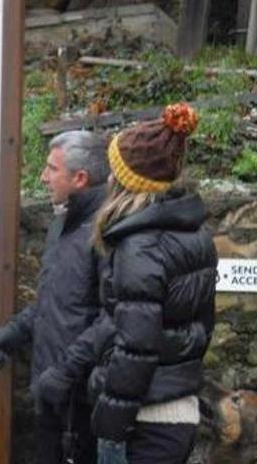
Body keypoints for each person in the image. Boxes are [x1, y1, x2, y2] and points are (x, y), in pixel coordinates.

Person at [84, 103, 217, 464]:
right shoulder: (196, 234)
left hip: (143, 422)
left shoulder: (139, 247)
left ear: (128, 180)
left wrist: (110, 429)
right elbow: (203, 327)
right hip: (179, 414)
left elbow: (135, 349)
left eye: (114, 170)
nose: (108, 178)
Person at [0, 130, 110, 464]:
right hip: (51, 394)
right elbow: (55, 299)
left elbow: (113, 317)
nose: (43, 177)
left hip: (85, 403)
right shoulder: (61, 224)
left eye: (52, 169)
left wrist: (66, 372)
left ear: (79, 178)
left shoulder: (107, 231)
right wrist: (15, 330)